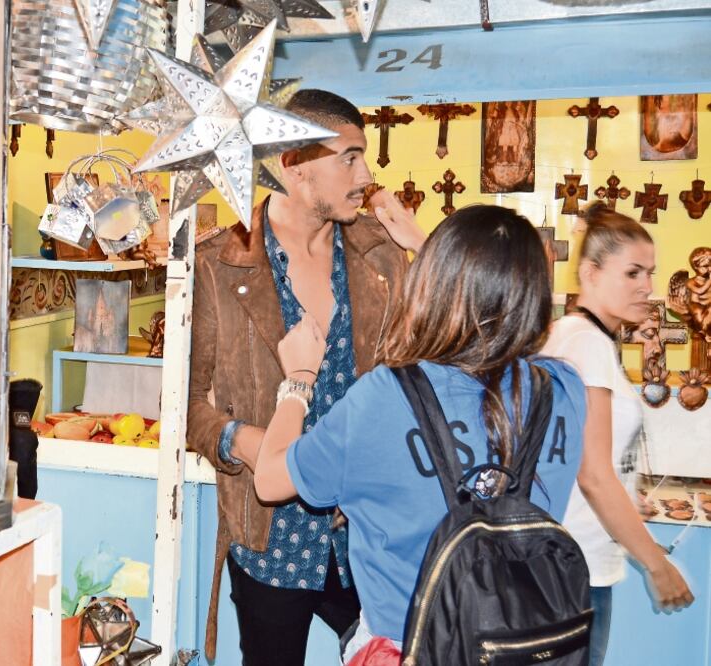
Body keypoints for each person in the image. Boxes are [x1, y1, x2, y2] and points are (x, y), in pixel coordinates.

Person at [251, 205, 588, 663]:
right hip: (518, 645)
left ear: (431, 283)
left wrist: (299, 380)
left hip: (406, 646)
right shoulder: (564, 389)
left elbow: (270, 481)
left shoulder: (385, 398)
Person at [186, 89, 425, 665]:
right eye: (348, 157)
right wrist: (255, 445)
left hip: (363, 529)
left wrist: (426, 250)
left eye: (363, 157)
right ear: (293, 164)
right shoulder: (220, 264)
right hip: (270, 535)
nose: (366, 175)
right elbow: (188, 405)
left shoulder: (382, 256)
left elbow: (430, 363)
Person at [541, 202, 694, 665]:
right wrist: (656, 563)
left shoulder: (576, 335)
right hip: (576, 570)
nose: (647, 286)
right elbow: (593, 473)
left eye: (649, 273)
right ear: (590, 273)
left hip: (568, 564)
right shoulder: (587, 344)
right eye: (632, 273)